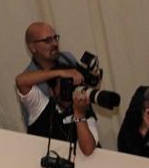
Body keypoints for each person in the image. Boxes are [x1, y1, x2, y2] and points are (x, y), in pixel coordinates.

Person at [14, 22, 98, 155]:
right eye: (47, 40)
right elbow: (21, 82)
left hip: (78, 124)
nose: (54, 43)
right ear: (32, 47)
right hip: (47, 141)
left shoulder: (67, 58)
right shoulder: (31, 77)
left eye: (55, 38)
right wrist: (60, 73)